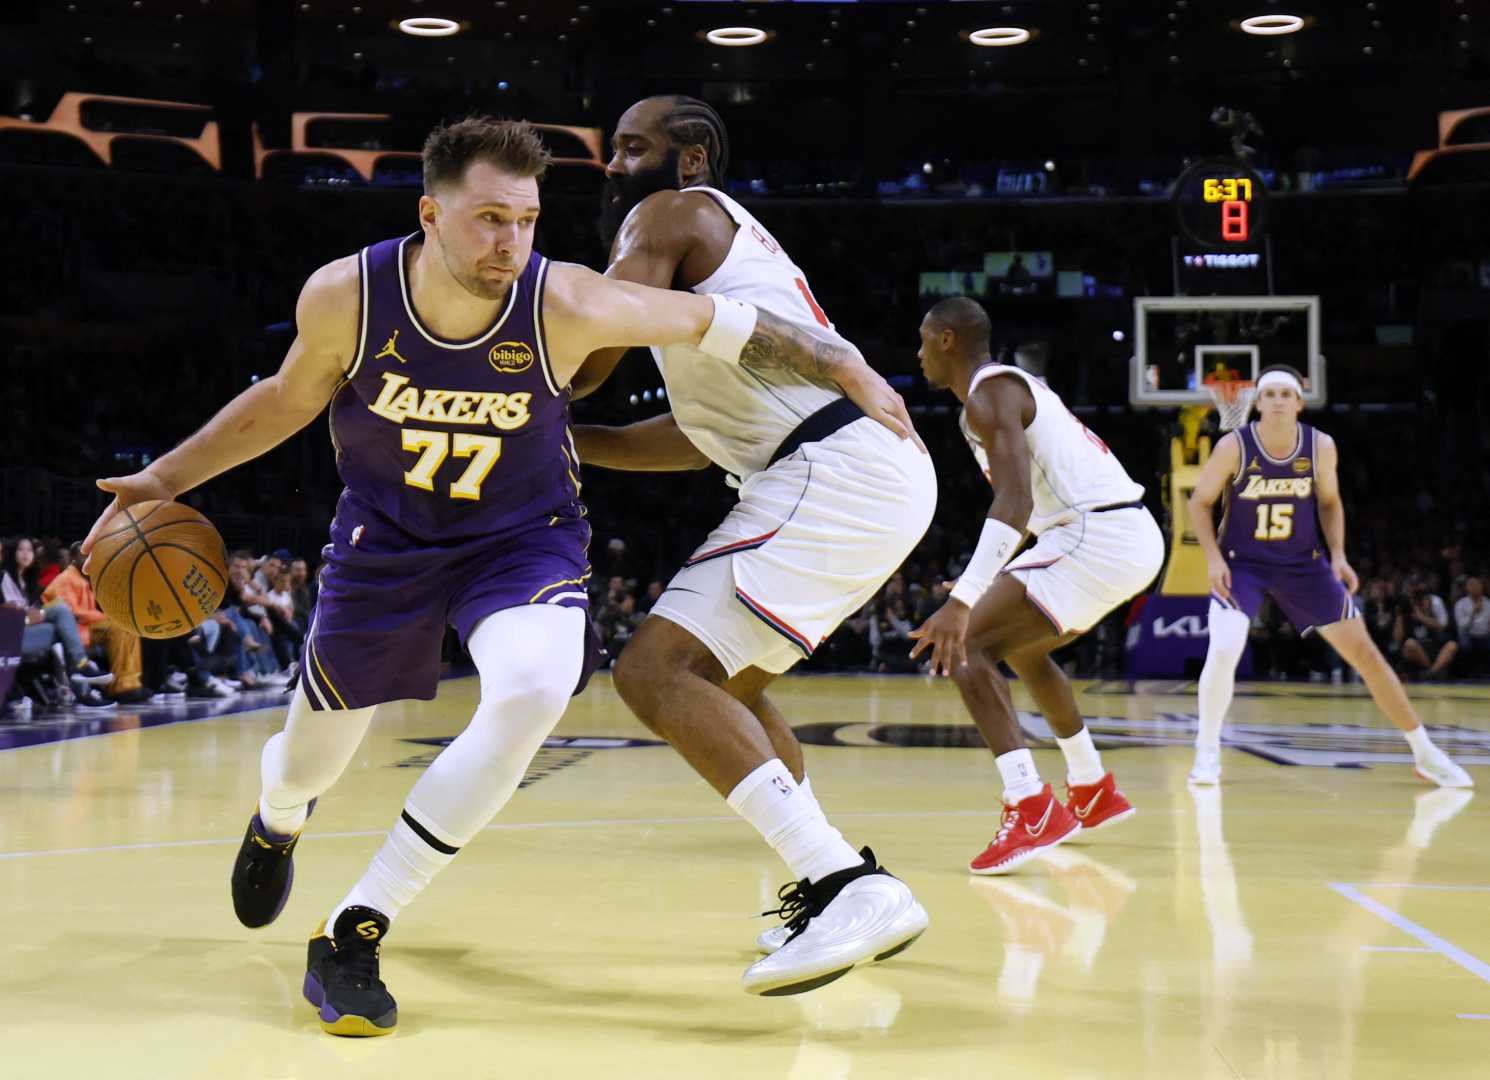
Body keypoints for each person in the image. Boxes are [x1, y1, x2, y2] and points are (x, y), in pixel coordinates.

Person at [81, 116, 911, 1037]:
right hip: (385, 543)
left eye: (525, 219)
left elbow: (728, 320)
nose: (509, 241)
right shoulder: (348, 295)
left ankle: (357, 925)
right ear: (430, 215)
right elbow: (283, 401)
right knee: (310, 759)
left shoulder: (565, 300)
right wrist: (160, 480)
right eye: (487, 219)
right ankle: (278, 817)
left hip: (522, 542)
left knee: (533, 687)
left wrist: (842, 360)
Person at [570, 95, 933, 996]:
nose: (613, 165)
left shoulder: (669, 216)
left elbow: (603, 317)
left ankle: (850, 885)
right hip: (841, 464)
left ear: (690, 160)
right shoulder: (722, 263)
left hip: (832, 466)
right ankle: (826, 883)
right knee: (727, 687)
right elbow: (703, 434)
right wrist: (578, 440)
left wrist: (513, 389)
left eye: (632, 147)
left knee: (654, 672)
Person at [908, 297, 1161, 875]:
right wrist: (989, 578)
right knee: (1022, 649)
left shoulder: (989, 394)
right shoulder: (1005, 391)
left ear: (947, 340)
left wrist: (965, 597)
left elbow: (1016, 503)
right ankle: (1091, 784)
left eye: (923, 341)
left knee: (966, 644)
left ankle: (1030, 805)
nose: (918, 354)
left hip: (1096, 533)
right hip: (1112, 533)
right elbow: (1031, 507)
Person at [1186, 365, 1472, 788]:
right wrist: (1212, 558)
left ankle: (1424, 752)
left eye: (1287, 393)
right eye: (1271, 394)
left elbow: (1331, 503)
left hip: (1303, 563)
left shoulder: (1320, 447)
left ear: (1300, 402)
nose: (1279, 400)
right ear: (1257, 402)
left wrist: (1338, 555)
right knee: (1226, 645)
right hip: (1242, 561)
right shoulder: (1234, 446)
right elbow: (1199, 503)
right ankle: (1207, 750)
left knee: (1367, 656)